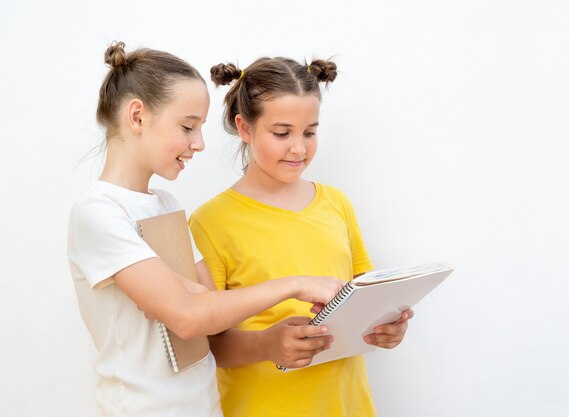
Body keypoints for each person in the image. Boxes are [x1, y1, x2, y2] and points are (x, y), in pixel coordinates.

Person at [67, 42, 344, 417]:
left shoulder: (166, 205)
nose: (198, 144)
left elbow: (210, 318)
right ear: (137, 117)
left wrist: (197, 302)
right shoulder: (98, 213)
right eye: (187, 127)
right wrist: (295, 284)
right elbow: (190, 316)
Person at [189, 57, 414, 417]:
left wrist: (387, 327)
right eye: (282, 133)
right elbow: (206, 344)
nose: (298, 148)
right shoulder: (210, 222)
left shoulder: (336, 204)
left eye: (309, 132)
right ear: (244, 127)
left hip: (346, 404)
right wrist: (266, 344)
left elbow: (363, 295)